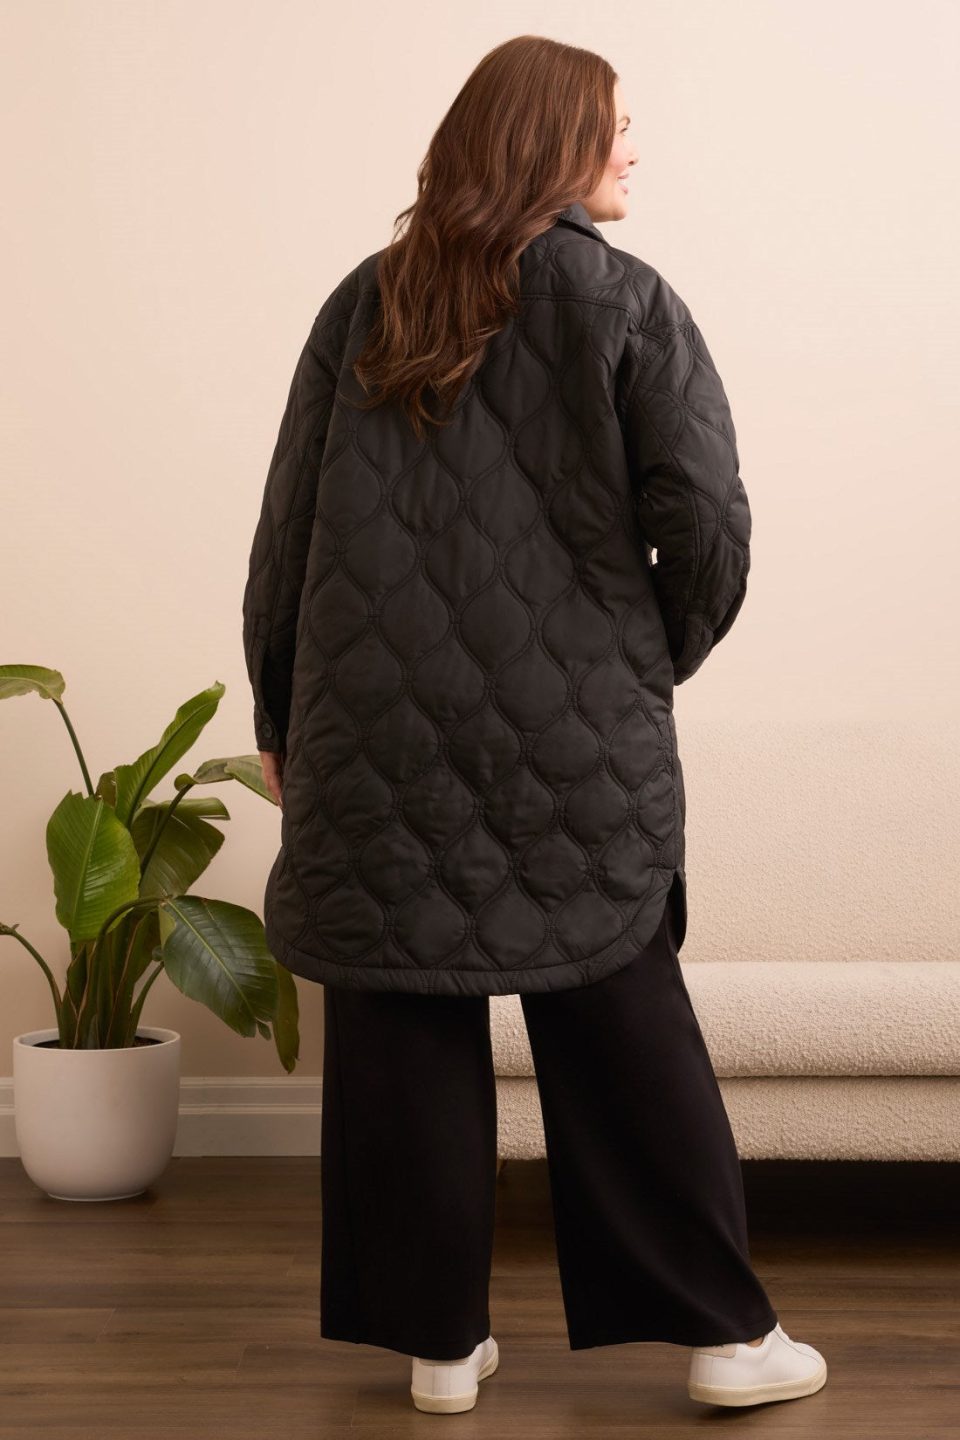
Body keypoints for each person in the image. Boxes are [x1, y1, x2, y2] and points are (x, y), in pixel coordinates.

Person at [242, 34, 827, 1414]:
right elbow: (710, 525)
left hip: (374, 737)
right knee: (621, 1020)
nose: (634, 148)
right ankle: (724, 1338)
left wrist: (281, 707)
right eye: (616, 124)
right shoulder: (625, 300)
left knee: (404, 1014)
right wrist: (643, 658)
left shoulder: (365, 301)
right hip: (575, 744)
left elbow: (286, 537)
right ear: (551, 142)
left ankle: (439, 1345)